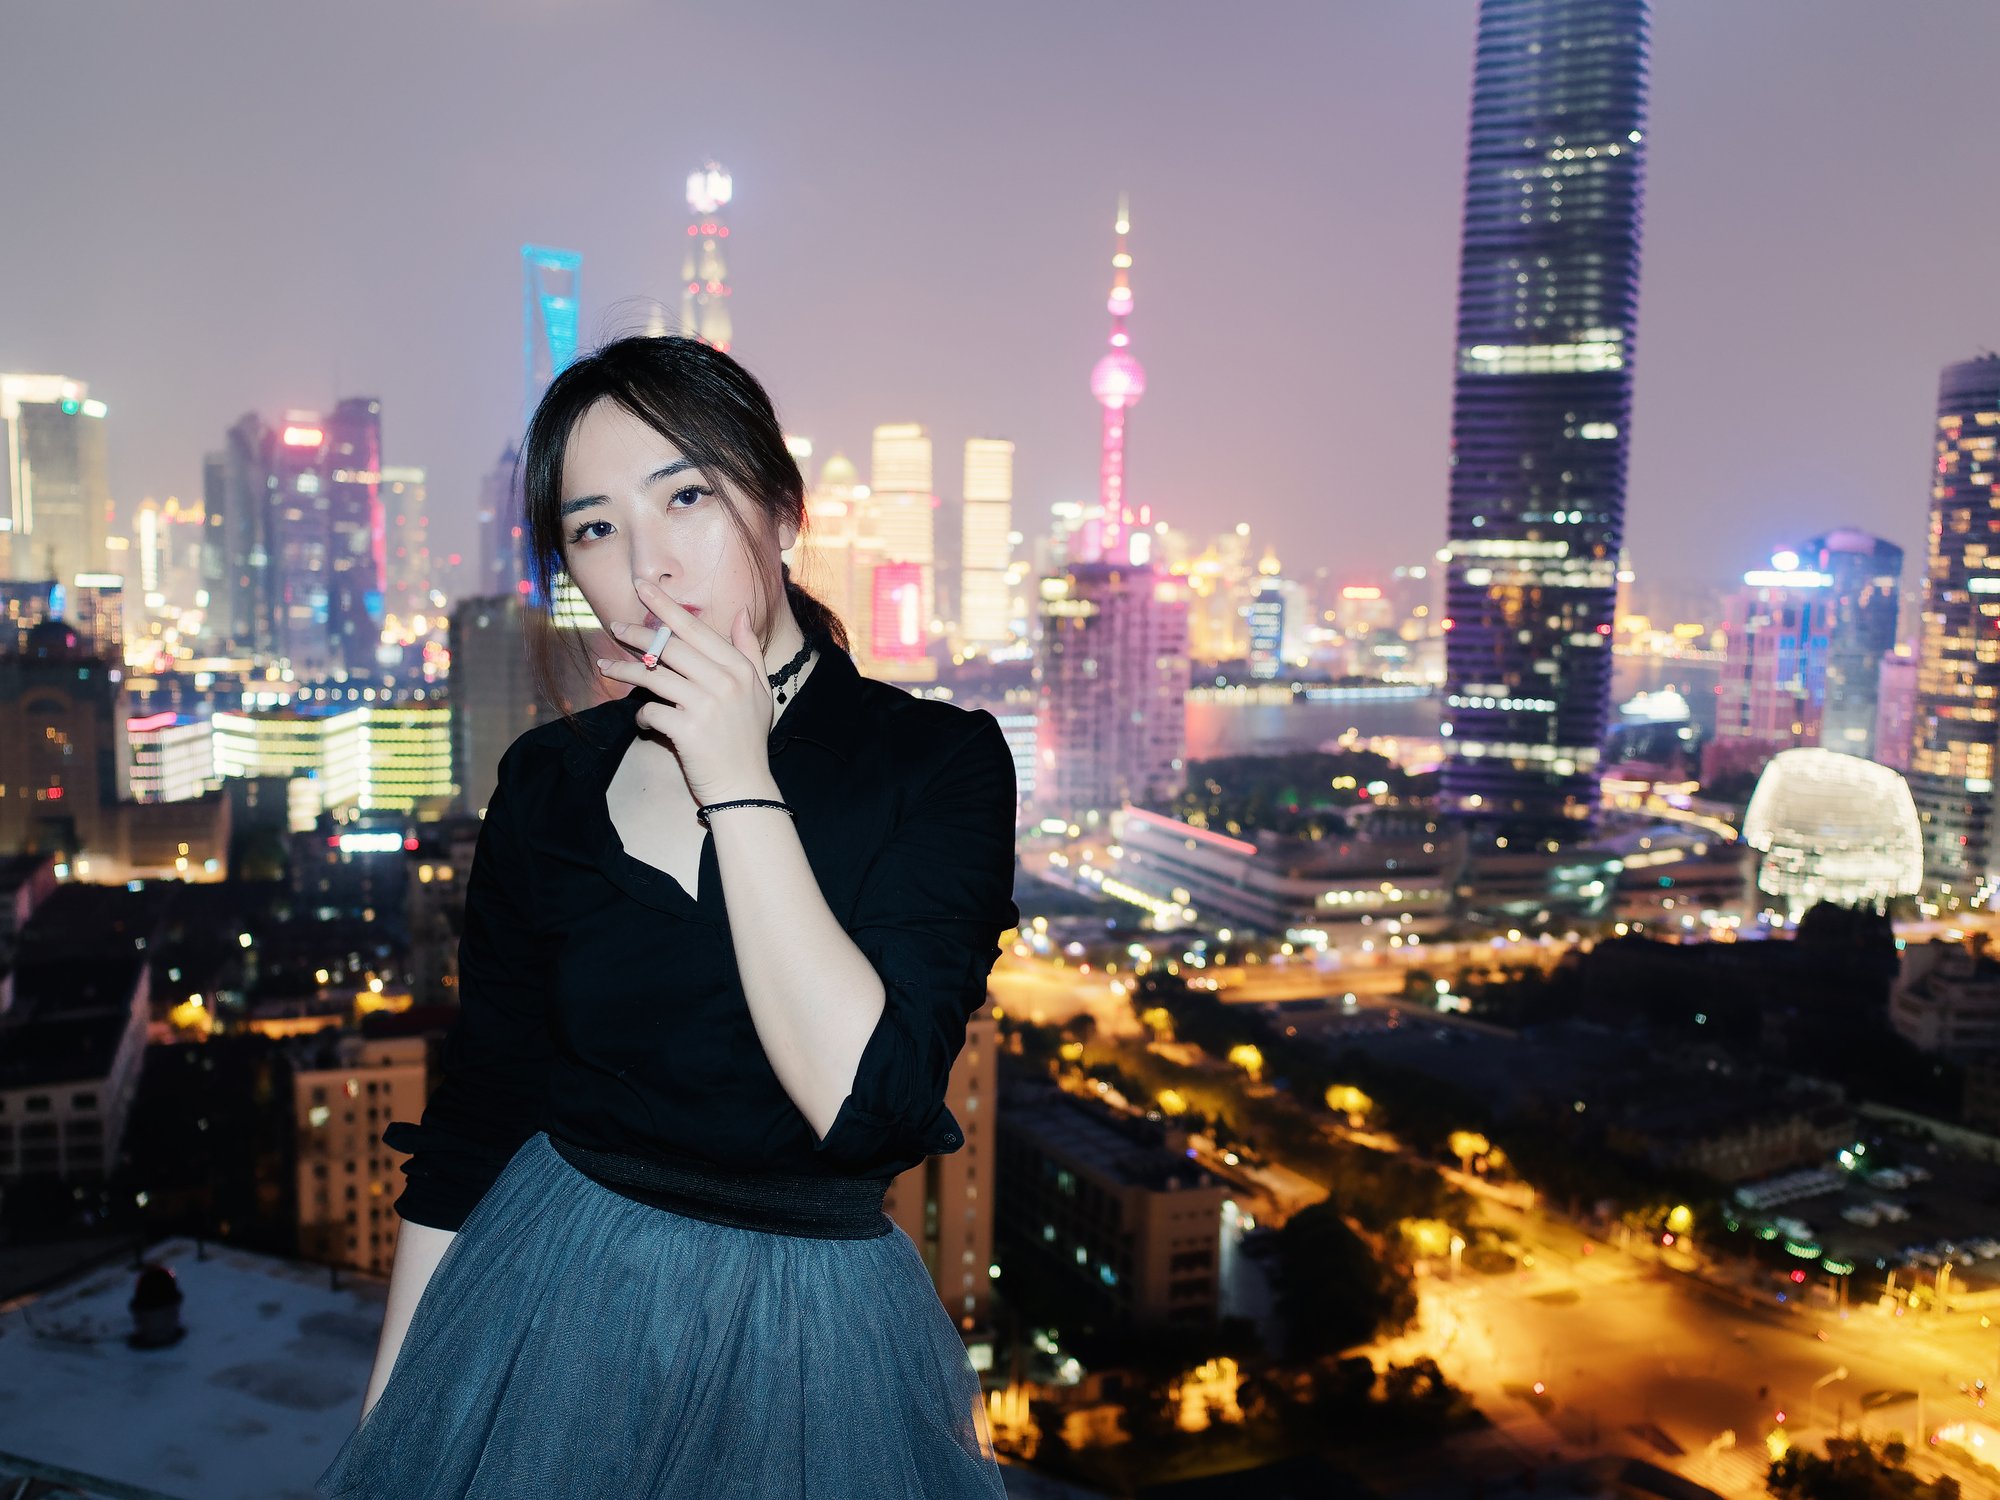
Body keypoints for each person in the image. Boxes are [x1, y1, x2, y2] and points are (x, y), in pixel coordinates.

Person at [317, 335, 1016, 1498]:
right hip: (548, 1291)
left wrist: (736, 773)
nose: (648, 567)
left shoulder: (934, 762)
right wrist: (392, 1427)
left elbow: (868, 1106)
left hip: (811, 1347)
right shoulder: (548, 781)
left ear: (783, 510)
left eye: (686, 495)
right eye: (593, 528)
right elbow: (479, 1120)